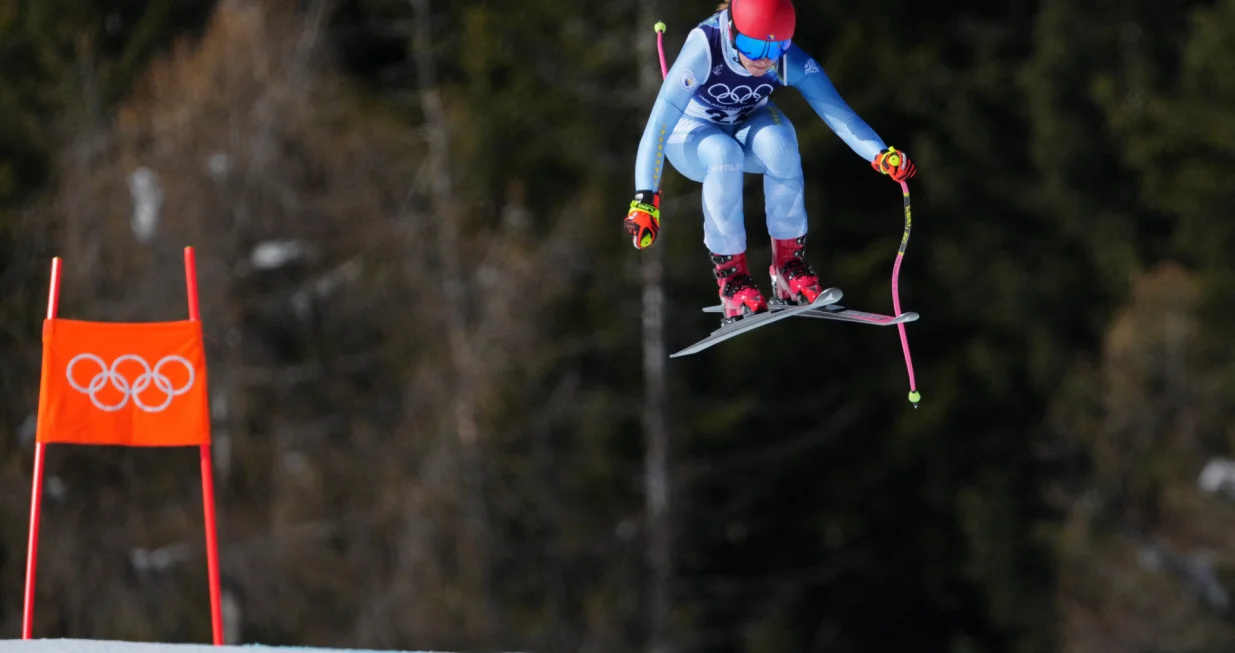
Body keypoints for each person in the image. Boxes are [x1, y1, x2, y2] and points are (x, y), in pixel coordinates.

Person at [624, 0, 916, 324]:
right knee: (724, 153)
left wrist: (880, 154)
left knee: (780, 142)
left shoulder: (786, 59)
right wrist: (645, 198)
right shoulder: (705, 46)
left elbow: (837, 112)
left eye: (775, 48)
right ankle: (732, 279)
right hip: (692, 135)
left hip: (747, 121)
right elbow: (659, 124)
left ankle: (789, 266)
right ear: (733, 31)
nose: (763, 59)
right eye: (751, 45)